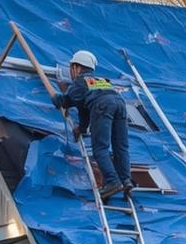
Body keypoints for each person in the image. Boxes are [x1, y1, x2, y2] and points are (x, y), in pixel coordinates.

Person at [53, 49, 132, 199]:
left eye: (71, 68)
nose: (71, 72)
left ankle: (112, 182)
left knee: (100, 148)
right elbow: (84, 110)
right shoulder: (100, 81)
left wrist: (57, 99)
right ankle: (126, 180)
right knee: (121, 147)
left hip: (103, 107)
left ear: (77, 67)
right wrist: (81, 128)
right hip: (120, 105)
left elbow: (67, 101)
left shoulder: (80, 81)